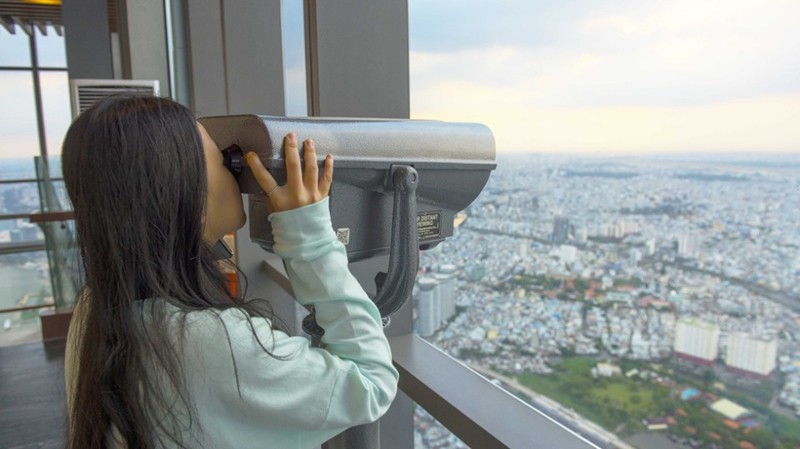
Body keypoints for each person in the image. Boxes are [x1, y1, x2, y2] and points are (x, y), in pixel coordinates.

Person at [62, 95, 399, 449]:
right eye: (225, 162)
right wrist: (309, 239)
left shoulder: (94, 309)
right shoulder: (203, 341)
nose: (239, 174)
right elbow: (370, 383)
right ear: (184, 190)